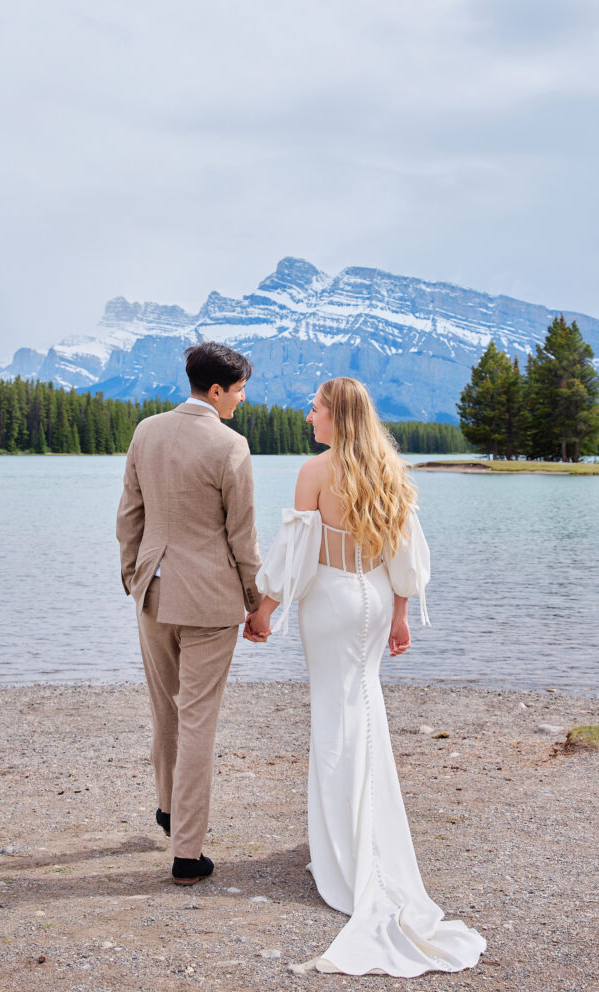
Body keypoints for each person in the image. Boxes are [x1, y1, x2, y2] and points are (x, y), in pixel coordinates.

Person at [246, 377, 486, 977]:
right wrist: (401, 615)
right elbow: (404, 554)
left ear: (337, 416)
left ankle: (344, 859)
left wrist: (265, 609)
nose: (308, 417)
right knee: (366, 710)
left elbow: (297, 555)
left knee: (334, 717)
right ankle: (365, 841)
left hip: (330, 604)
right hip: (376, 601)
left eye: (316, 409)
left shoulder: (315, 472)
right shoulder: (390, 470)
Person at [116, 342, 263, 886]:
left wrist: (133, 575)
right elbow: (242, 536)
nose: (243, 399)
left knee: (165, 710)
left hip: (152, 593)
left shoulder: (145, 431)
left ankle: (168, 809)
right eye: (240, 389)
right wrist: (256, 602)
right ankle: (186, 853)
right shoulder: (231, 446)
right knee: (199, 719)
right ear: (218, 390)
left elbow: (130, 513)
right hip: (210, 600)